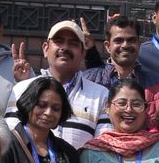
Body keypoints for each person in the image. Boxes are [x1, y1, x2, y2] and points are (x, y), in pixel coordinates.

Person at [11, 20, 110, 148]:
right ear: (45, 49)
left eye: (73, 43)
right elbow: (10, 139)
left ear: (83, 53)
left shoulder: (101, 95)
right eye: (59, 41)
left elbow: (103, 148)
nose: (65, 47)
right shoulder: (21, 89)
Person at [83, 14, 143, 88]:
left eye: (131, 40)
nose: (125, 45)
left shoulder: (152, 81)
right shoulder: (88, 80)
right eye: (118, 40)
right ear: (108, 46)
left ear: (139, 44)